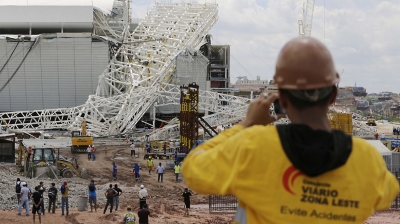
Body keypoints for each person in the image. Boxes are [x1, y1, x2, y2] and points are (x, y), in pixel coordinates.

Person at [181, 37, 399, 223]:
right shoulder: (366, 160)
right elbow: (386, 194)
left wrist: (247, 125)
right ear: (333, 95)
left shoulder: (252, 147)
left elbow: (193, 170)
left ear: (282, 98)